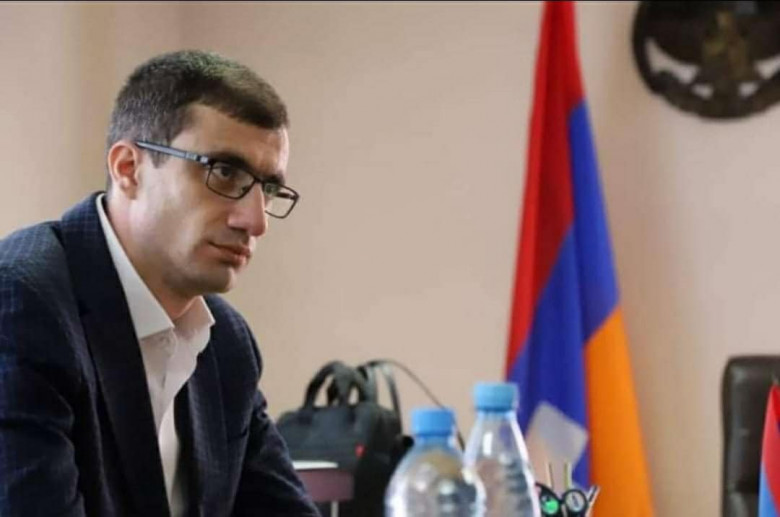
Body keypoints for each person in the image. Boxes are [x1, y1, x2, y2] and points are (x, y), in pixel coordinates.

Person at [0, 50, 320, 516]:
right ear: (128, 168)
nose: (255, 221)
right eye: (224, 172)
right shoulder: (20, 304)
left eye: (268, 189)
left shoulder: (227, 344)